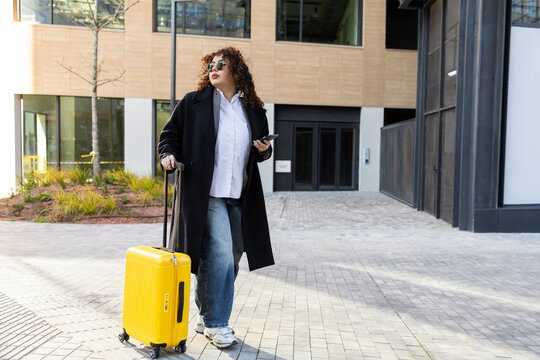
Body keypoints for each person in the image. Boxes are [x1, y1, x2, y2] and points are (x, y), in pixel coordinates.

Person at [158, 47, 275, 349]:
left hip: (239, 194)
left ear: (236, 71)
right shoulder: (193, 103)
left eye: (221, 64)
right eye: (211, 65)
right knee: (220, 256)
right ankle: (216, 324)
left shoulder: (253, 110)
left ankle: (204, 313)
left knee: (230, 261)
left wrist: (264, 150)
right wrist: (168, 155)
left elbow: (261, 153)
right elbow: (168, 136)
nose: (214, 68)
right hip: (205, 193)